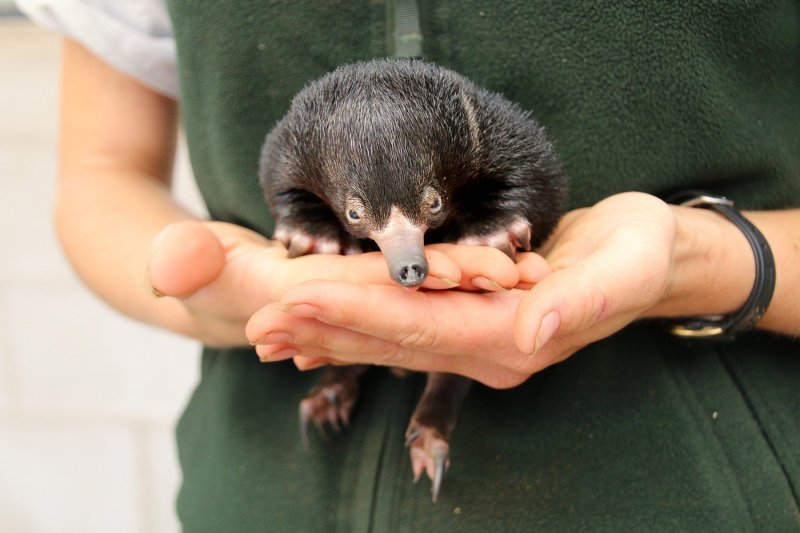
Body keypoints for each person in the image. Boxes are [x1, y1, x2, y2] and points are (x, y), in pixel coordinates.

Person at [20, 0, 800, 530]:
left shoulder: (491, 149)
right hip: (263, 496)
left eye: (419, 221)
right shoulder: (301, 160)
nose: (406, 261)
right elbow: (101, 172)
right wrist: (217, 295)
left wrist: (704, 260)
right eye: (369, 226)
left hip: (671, 492)